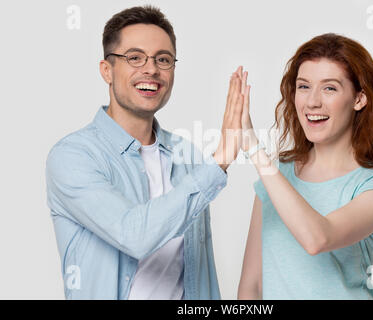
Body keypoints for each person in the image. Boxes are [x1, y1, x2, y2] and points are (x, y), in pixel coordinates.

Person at [45, 5, 246, 300]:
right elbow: (133, 235)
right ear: (107, 70)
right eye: (135, 58)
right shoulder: (73, 156)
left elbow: (202, 272)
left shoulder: (188, 157)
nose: (151, 69)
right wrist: (219, 162)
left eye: (163, 59)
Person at [237, 33, 373, 299]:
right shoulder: (278, 172)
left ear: (359, 99)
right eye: (304, 86)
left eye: (329, 88)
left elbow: (317, 238)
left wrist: (253, 148)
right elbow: (252, 284)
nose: (312, 102)